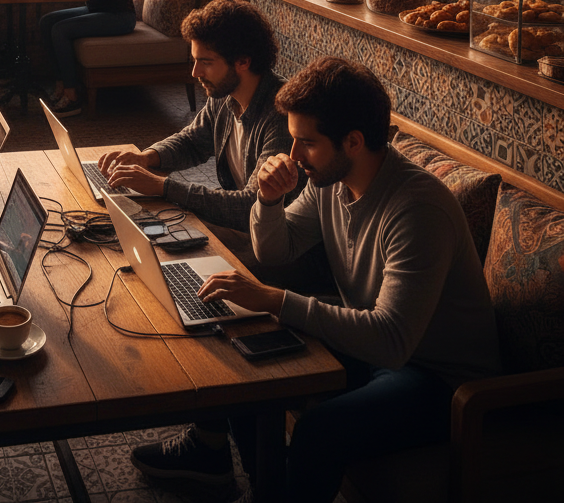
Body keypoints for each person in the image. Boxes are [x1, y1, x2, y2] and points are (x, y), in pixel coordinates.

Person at [131, 56, 500, 502]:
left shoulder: (417, 209)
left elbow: (391, 339)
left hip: (440, 379)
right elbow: (275, 249)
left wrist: (275, 299)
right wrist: (267, 201)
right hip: (373, 351)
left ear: (353, 141)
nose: (292, 157)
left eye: (305, 143)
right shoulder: (330, 181)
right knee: (240, 374)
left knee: (317, 432)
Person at [97, 0, 302, 235]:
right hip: (239, 224)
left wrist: (163, 187)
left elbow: (250, 206)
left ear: (243, 61)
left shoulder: (282, 116)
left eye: (205, 62)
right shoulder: (224, 95)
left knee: (160, 240)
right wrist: (146, 158)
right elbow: (193, 142)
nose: (195, 72)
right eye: (195, 60)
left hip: (271, 238)